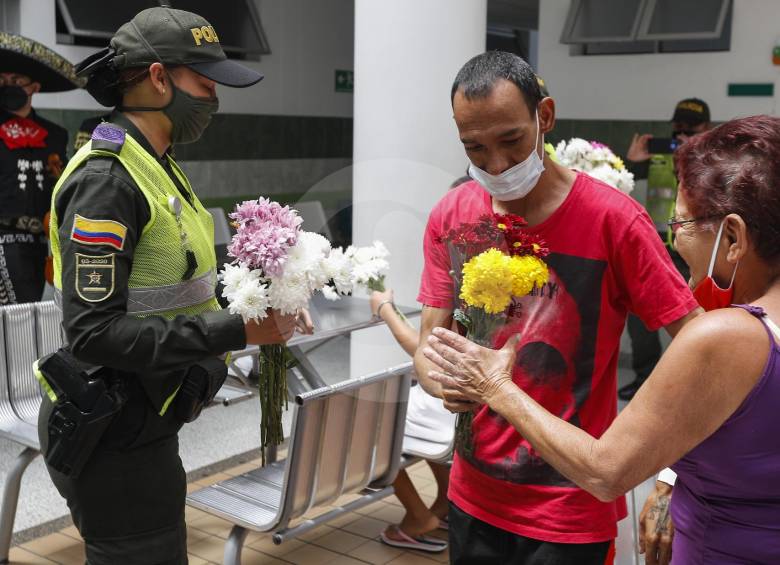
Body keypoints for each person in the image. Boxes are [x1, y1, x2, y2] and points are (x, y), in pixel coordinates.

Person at [424, 114, 780, 565]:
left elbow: (606, 471)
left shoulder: (724, 336)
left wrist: (494, 387)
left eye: (682, 225)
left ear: (732, 236)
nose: (675, 241)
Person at [38, 7, 311, 564]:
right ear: (158, 78)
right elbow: (93, 333)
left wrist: (262, 299)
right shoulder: (105, 182)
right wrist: (240, 328)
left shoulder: (158, 162)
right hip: (110, 433)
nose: (214, 95)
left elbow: (176, 283)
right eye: (205, 81)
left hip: (145, 417)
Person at [413, 51, 700, 564]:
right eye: (474, 148)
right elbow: (428, 346)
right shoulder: (452, 214)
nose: (496, 165)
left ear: (544, 117)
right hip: (472, 495)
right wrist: (449, 382)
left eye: (511, 140)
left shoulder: (615, 221)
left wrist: (672, 477)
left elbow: (702, 353)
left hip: (569, 507)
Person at [620, 98, 712, 401]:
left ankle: (694, 386)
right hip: (655, 248)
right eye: (678, 125)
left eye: (691, 126)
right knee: (639, 320)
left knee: (696, 319)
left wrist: (689, 159)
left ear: (706, 128)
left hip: (693, 253)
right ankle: (645, 379)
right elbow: (620, 187)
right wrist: (633, 160)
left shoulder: (710, 160)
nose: (683, 131)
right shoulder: (658, 156)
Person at [369, 288, 454, 553]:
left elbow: (424, 356)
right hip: (461, 408)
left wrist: (384, 308)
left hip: (444, 409)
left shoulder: (451, 266)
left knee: (372, 426)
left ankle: (418, 517)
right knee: (413, 407)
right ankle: (446, 500)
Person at [0, 32, 80, 304]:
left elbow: (64, 187)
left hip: (42, 242)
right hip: (3, 239)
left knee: (41, 312)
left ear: (34, 86)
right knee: (17, 313)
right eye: (3, 81)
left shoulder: (54, 134)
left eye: (16, 81)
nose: (7, 86)